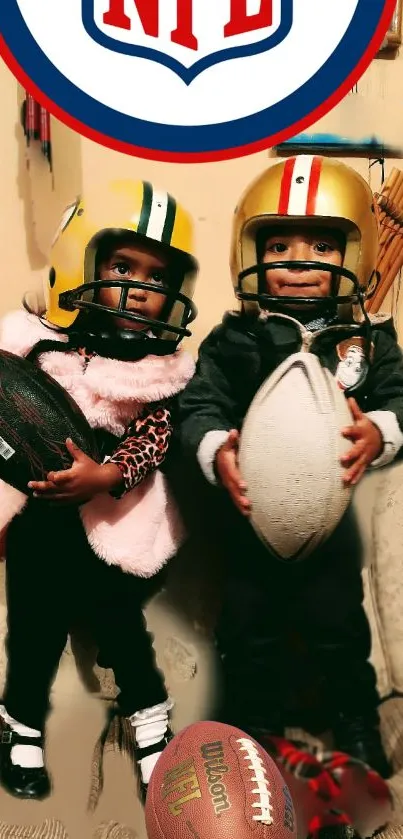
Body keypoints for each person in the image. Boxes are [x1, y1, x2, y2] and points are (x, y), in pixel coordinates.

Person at [177, 155, 403, 779]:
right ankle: (255, 731)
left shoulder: (370, 339)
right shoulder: (233, 339)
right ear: (249, 252)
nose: (299, 259)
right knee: (248, 632)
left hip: (330, 526)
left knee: (339, 628)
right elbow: (198, 406)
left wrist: (377, 433)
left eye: (321, 246)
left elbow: (399, 400)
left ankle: (355, 721)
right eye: (279, 244)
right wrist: (217, 449)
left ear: (354, 256)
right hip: (249, 523)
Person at [0, 179, 198, 802]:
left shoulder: (151, 370)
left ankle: (150, 726)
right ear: (80, 261)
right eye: (121, 266)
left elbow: (155, 437)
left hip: (109, 519)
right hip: (39, 519)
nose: (140, 289)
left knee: (120, 627)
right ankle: (20, 724)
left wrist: (106, 474)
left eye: (157, 277)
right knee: (34, 629)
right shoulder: (37, 346)